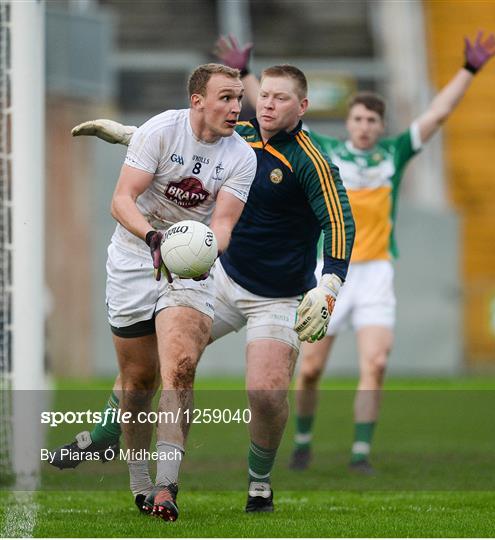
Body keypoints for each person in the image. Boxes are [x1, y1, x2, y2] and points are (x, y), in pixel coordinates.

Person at [52, 64, 355, 514]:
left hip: (272, 291)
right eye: (263, 95)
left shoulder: (308, 161)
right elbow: (186, 144)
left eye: (280, 98)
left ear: (303, 107)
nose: (264, 105)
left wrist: (329, 282)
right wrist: (133, 138)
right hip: (222, 274)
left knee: (264, 392)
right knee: (152, 368)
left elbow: (339, 221)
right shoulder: (241, 133)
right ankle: (104, 437)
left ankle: (256, 483)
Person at [214, 32, 495, 473]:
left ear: (381, 127)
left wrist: (469, 70)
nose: (364, 127)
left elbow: (438, 114)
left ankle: (360, 454)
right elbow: (274, 107)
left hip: (376, 273)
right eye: (358, 119)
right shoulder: (324, 152)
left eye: (372, 120)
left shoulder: (394, 153)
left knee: (377, 361)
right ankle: (304, 444)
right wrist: (247, 73)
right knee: (309, 370)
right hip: (326, 269)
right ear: (348, 124)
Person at [94, 62, 258, 522]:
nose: (235, 106)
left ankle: (167, 486)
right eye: (225, 97)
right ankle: (141, 483)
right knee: (138, 383)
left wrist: (200, 251)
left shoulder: (242, 157)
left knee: (181, 367)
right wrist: (154, 240)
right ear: (197, 100)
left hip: (191, 266)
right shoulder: (160, 131)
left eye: (238, 97)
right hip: (134, 256)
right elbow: (121, 199)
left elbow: (223, 224)